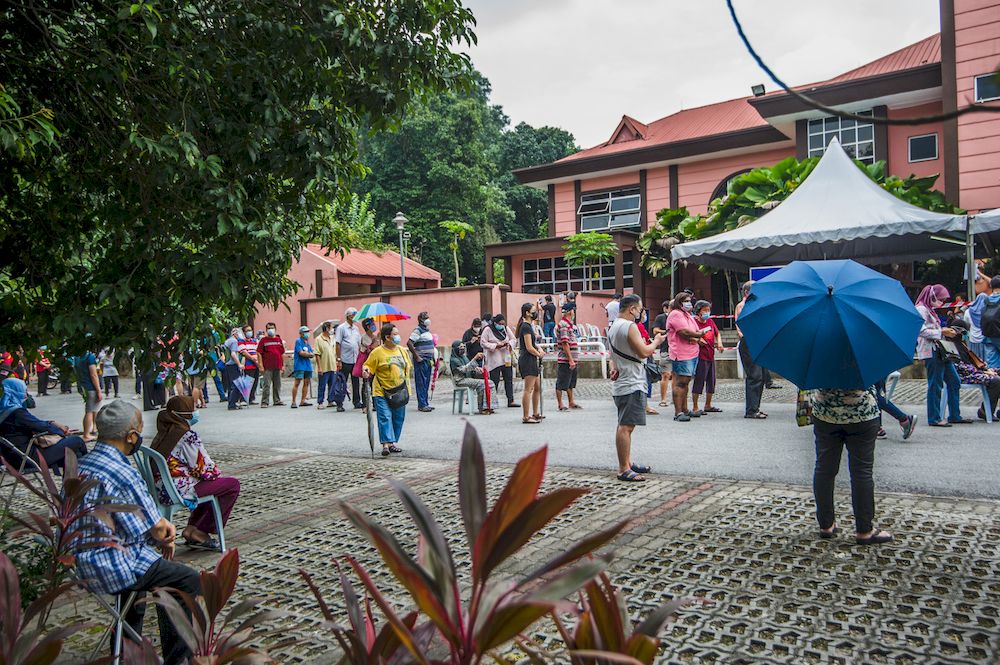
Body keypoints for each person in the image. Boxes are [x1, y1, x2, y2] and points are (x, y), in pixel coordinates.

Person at [75, 400, 201, 665]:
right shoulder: (123, 472)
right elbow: (156, 529)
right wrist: (167, 532)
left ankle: (125, 650)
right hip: (112, 564)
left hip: (80, 562)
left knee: (145, 579)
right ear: (132, 436)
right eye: (140, 429)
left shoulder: (83, 463)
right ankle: (178, 659)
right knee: (185, 579)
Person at [150, 396, 240, 551]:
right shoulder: (186, 436)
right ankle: (200, 531)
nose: (196, 412)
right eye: (193, 409)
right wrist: (216, 473)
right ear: (185, 414)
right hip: (178, 489)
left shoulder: (163, 433)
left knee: (210, 485)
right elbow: (204, 470)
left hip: (160, 488)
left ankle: (192, 529)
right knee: (231, 485)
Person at [811, 386, 892, 545]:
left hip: (826, 414)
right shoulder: (865, 359)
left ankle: (826, 525)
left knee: (824, 470)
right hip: (861, 413)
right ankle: (864, 530)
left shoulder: (820, 360)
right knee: (861, 472)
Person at [607, 295, 665, 482]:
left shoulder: (613, 326)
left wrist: (614, 369)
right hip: (632, 382)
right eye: (640, 310)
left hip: (623, 381)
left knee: (625, 424)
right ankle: (623, 468)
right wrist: (656, 341)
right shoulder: (629, 326)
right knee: (626, 426)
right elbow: (644, 352)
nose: (641, 313)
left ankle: (628, 462)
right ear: (632, 309)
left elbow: (612, 356)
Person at [0, 377, 88, 470]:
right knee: (77, 441)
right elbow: (41, 426)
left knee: (74, 456)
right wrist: (62, 431)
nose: (26, 395)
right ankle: (88, 474)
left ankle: (73, 483)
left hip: (10, 457)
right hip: (26, 458)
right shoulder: (17, 412)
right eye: (24, 391)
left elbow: (36, 423)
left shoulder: (5, 411)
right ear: (16, 391)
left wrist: (53, 424)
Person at [915, 284, 969, 427]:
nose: (941, 302)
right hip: (931, 350)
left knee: (954, 381)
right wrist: (942, 332)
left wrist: (944, 330)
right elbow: (921, 331)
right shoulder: (921, 309)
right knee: (935, 384)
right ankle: (934, 418)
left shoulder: (930, 310)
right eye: (940, 299)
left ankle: (955, 415)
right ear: (932, 296)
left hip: (941, 350)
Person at [363, 324, 412, 456]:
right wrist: (366, 371)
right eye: (395, 334)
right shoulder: (377, 352)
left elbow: (407, 369)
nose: (398, 336)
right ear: (387, 337)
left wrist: (408, 389)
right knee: (385, 416)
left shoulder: (402, 351)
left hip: (400, 390)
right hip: (381, 390)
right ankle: (385, 444)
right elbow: (367, 365)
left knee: (398, 418)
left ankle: (392, 443)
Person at [948, 318, 1000, 421]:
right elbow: (960, 366)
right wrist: (984, 372)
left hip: (974, 371)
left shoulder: (962, 344)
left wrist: (986, 369)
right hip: (964, 375)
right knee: (996, 380)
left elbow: (975, 361)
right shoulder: (950, 345)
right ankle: (985, 411)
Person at [666, 292, 705, 422]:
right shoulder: (676, 314)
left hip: (692, 353)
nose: (689, 303)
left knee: (686, 382)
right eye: (686, 301)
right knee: (681, 383)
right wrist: (699, 334)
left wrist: (697, 336)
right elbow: (684, 332)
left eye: (690, 300)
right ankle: (678, 412)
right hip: (682, 354)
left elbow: (692, 332)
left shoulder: (687, 315)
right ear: (679, 302)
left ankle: (685, 409)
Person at [735, 280, 767, 419]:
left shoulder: (756, 303)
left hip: (758, 342)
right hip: (749, 342)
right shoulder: (743, 305)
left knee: (762, 376)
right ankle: (751, 410)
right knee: (755, 376)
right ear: (747, 292)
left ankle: (756, 407)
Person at [691, 300, 724, 415]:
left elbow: (717, 333)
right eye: (705, 310)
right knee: (699, 381)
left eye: (708, 310)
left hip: (711, 355)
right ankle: (695, 407)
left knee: (712, 381)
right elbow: (687, 335)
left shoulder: (710, 321)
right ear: (698, 312)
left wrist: (719, 343)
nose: (707, 313)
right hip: (700, 356)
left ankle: (708, 405)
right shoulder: (693, 322)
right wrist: (697, 340)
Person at [481, 313, 518, 408]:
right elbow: (483, 343)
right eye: (500, 323)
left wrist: (509, 344)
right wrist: (495, 346)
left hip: (506, 358)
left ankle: (511, 400)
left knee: (508, 380)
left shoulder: (505, 328)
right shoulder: (488, 329)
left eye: (503, 323)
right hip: (494, 359)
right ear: (495, 323)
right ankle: (492, 402)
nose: (501, 325)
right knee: (494, 381)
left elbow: (513, 339)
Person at [516, 302, 545, 424]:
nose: (535, 313)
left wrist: (538, 348)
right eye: (533, 311)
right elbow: (528, 347)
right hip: (528, 359)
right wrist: (539, 354)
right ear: (527, 313)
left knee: (537, 388)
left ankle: (535, 413)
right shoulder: (526, 327)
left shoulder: (528, 326)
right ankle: (526, 416)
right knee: (528, 389)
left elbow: (532, 344)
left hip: (531, 358)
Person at [407, 312, 436, 412]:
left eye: (428, 317)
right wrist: (417, 356)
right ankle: (422, 404)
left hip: (428, 360)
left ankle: (426, 403)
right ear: (420, 320)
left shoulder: (427, 331)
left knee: (426, 382)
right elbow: (409, 343)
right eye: (425, 318)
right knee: (421, 382)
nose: (428, 319)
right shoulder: (417, 330)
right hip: (421, 360)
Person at [334, 308, 364, 409]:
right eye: (354, 315)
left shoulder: (356, 328)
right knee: (342, 382)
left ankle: (357, 401)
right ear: (349, 316)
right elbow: (338, 344)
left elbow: (359, 343)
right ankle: (339, 403)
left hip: (355, 359)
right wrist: (338, 359)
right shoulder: (341, 328)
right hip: (345, 359)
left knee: (356, 382)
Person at [969, 275, 1000, 369]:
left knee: (993, 365)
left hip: (988, 336)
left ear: (991, 287)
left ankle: (995, 381)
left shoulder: (986, 300)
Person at [450, 340, 489, 414]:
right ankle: (482, 408)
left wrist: (478, 369)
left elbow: (471, 366)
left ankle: (491, 405)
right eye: (460, 347)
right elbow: (464, 369)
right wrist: (475, 358)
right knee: (481, 384)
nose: (463, 348)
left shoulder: (464, 357)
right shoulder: (454, 360)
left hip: (467, 379)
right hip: (460, 381)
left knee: (489, 383)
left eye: (464, 346)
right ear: (455, 348)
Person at [555, 302, 581, 411]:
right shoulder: (564, 325)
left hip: (572, 359)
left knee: (570, 382)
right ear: (570, 311)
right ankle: (560, 403)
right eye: (573, 310)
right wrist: (570, 359)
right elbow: (565, 343)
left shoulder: (570, 325)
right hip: (565, 359)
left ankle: (571, 401)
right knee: (561, 382)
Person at [74, 347, 103, 440]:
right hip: (90, 387)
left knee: (92, 409)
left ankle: (93, 429)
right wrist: (98, 390)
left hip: (83, 386)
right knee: (89, 411)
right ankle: (86, 434)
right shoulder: (89, 357)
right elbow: (93, 374)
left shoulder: (78, 357)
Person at [314, 321, 343, 412]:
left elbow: (334, 352)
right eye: (331, 327)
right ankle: (320, 402)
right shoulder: (319, 339)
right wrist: (319, 367)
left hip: (332, 365)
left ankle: (331, 400)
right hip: (324, 366)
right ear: (326, 328)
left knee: (332, 384)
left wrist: (337, 361)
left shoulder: (332, 338)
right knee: (322, 385)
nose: (332, 330)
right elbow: (317, 354)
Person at [256, 322, 286, 408]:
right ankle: (265, 402)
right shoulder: (263, 340)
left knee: (277, 384)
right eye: (269, 328)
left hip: (277, 365)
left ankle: (277, 400)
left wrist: (283, 365)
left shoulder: (278, 340)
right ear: (266, 330)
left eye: (272, 328)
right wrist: (260, 365)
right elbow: (259, 353)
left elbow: (281, 353)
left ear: (275, 329)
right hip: (267, 366)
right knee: (267, 385)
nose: (270, 330)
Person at [651, 300, 673, 408]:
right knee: (666, 375)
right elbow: (655, 330)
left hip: (679, 350)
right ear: (665, 308)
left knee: (678, 376)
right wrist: (667, 331)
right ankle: (663, 399)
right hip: (666, 350)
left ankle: (677, 398)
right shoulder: (661, 318)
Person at [291, 326, 315, 408]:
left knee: (306, 382)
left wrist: (309, 354)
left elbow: (311, 353)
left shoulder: (307, 342)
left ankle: (303, 400)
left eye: (308, 331)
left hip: (307, 365)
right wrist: (309, 354)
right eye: (305, 332)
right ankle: (293, 401)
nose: (307, 333)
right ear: (301, 333)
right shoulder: (298, 341)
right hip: (300, 365)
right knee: (297, 383)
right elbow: (301, 353)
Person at [221, 328, 244, 411]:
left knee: (231, 385)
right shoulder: (234, 341)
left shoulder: (228, 341)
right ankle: (232, 404)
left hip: (227, 365)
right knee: (236, 385)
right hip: (232, 365)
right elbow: (233, 354)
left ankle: (231, 403)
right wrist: (239, 364)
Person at [238, 326, 259, 405]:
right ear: (244, 332)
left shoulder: (254, 341)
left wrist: (256, 360)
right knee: (247, 382)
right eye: (247, 331)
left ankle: (251, 398)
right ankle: (243, 399)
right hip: (248, 364)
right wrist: (253, 359)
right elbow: (244, 352)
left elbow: (258, 351)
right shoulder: (241, 341)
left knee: (254, 382)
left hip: (255, 364)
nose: (249, 332)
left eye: (250, 330)